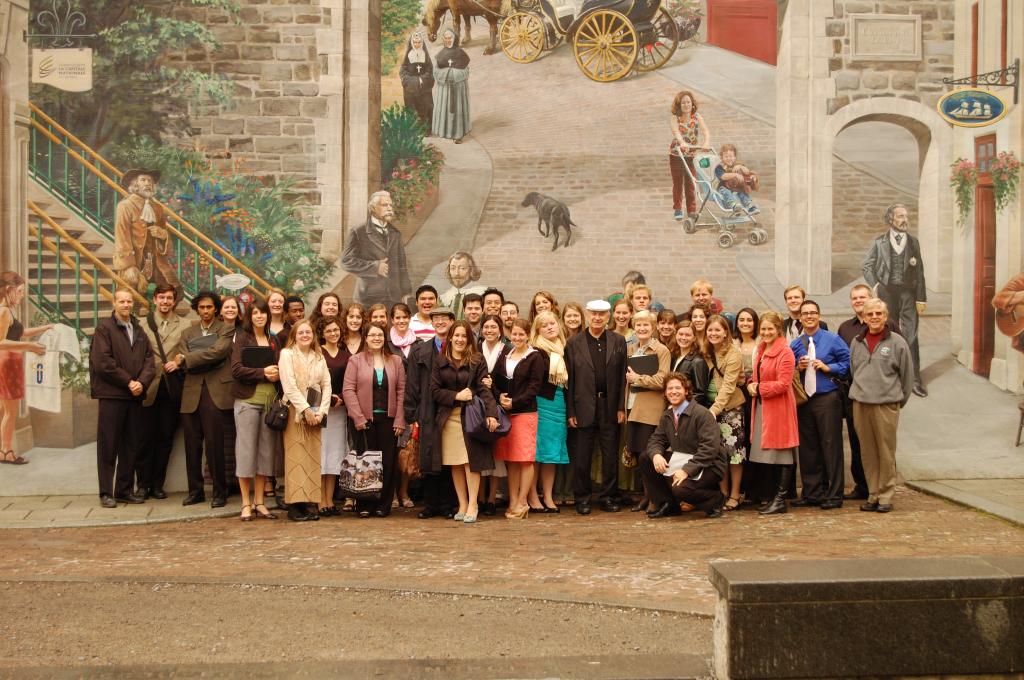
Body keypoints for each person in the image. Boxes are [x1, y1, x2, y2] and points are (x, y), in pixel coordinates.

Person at [89, 289, 155, 507]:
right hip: (112, 396)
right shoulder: (104, 329)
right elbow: (103, 363)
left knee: (131, 446)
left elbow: (149, 360)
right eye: (122, 301)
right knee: (108, 446)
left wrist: (141, 382)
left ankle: (124, 490)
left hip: (134, 397)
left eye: (129, 301)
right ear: (114, 303)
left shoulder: (138, 329)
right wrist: (129, 382)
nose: (126, 305)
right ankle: (106, 493)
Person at [849, 299, 914, 513]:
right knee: (868, 452)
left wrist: (896, 401)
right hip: (861, 404)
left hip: (885, 405)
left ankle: (885, 496)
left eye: (879, 313)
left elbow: (907, 377)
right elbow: (854, 370)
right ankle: (873, 494)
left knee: (886, 452)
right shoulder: (857, 342)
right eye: (870, 314)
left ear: (885, 317)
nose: (875, 317)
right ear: (864, 317)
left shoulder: (897, 342)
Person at [431, 321, 498, 523]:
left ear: (469, 339)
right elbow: (434, 391)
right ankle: (462, 503)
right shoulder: (440, 360)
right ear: (450, 337)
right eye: (457, 335)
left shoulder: (477, 360)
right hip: (448, 418)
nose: (460, 339)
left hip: (470, 417)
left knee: (471, 462)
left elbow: (484, 389)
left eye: (464, 336)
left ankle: (473, 504)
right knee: (455, 463)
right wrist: (455, 396)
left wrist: (492, 413)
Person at [837, 284, 899, 501]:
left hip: (884, 399)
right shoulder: (846, 330)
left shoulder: (890, 327)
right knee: (860, 445)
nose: (859, 301)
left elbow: (903, 366)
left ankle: (885, 491)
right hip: (857, 397)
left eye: (862, 297)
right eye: (855, 298)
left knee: (884, 447)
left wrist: (897, 399)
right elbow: (850, 365)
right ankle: (865, 488)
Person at [565, 299, 627, 514]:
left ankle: (608, 497)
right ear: (588, 315)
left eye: (602, 314)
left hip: (609, 406)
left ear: (608, 316)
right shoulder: (574, 343)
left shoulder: (618, 341)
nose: (598, 318)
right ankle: (582, 498)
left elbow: (622, 377)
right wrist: (571, 411)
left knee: (610, 455)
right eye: (594, 313)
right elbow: (570, 380)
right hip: (583, 406)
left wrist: (621, 407)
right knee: (582, 456)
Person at [638, 373, 728, 518]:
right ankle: (669, 505)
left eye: (678, 388)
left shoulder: (702, 414)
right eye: (670, 388)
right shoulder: (667, 415)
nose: (673, 391)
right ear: (665, 393)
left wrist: (686, 470)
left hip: (710, 465)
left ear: (686, 391)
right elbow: (656, 440)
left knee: (680, 489)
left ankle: (715, 500)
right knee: (646, 458)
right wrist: (656, 455)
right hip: (684, 459)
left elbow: (709, 449)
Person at [175, 291, 235, 508]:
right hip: (191, 392)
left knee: (214, 444)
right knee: (192, 445)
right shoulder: (187, 332)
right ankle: (195, 491)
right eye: (201, 307)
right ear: (196, 309)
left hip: (215, 392)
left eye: (209, 307)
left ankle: (220, 492)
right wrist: (197, 358)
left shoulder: (225, 329)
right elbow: (185, 358)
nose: (206, 311)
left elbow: (218, 353)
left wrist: (188, 358)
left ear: (216, 308)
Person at [862, 203, 928, 397]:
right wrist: (876, 286)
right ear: (890, 219)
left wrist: (921, 298)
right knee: (888, 334)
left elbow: (920, 271)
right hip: (887, 294)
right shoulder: (879, 242)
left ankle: (914, 380)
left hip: (908, 294)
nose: (905, 220)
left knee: (911, 336)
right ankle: (888, 378)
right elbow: (867, 266)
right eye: (900, 216)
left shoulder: (913, 242)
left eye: (906, 216)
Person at [790, 299, 851, 509]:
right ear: (800, 318)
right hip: (805, 400)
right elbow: (788, 370)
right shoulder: (796, 344)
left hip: (827, 398)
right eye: (805, 313)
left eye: (813, 313)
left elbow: (848, 364)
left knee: (831, 446)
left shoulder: (833, 339)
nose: (809, 316)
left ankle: (834, 494)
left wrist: (828, 367)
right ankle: (812, 493)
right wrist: (797, 367)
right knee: (808, 448)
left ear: (819, 315)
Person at [343, 324, 406, 518]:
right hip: (364, 420)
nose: (376, 338)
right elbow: (348, 390)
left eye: (380, 335)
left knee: (387, 462)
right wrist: (358, 417)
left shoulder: (396, 361)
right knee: (365, 462)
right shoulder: (355, 360)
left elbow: (401, 391)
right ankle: (364, 504)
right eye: (372, 335)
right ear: (366, 338)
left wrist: (400, 419)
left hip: (389, 420)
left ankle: (383, 504)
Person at [230, 299, 282, 521]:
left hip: (270, 403)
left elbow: (281, 366)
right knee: (246, 452)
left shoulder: (273, 339)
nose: (259, 316)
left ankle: (259, 502)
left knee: (265, 454)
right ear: (249, 316)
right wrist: (263, 373)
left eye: (263, 313)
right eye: (255, 313)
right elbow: (236, 369)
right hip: (247, 401)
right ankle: (245, 503)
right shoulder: (242, 337)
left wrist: (278, 374)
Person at [406, 306, 458, 519]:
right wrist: (412, 415)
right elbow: (412, 384)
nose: (440, 322)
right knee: (428, 456)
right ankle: (430, 504)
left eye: (444, 318)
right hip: (426, 409)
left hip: (451, 409)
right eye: (436, 318)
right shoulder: (420, 351)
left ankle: (449, 504)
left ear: (452, 321)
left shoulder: (458, 348)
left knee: (449, 456)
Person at [746, 311, 799, 515]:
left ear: (778, 330)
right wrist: (751, 384)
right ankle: (773, 497)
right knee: (769, 455)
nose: (766, 332)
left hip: (779, 408)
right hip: (763, 407)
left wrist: (759, 388)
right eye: (763, 329)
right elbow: (757, 376)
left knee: (782, 453)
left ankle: (780, 500)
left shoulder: (785, 352)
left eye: (770, 329)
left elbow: (784, 384)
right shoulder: (761, 349)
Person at [493, 318, 547, 519]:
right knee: (512, 460)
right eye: (514, 334)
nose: (517, 337)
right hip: (506, 413)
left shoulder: (535, 357)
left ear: (528, 335)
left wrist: (514, 402)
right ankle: (513, 500)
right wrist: (499, 396)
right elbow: (495, 379)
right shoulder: (505, 354)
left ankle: (523, 502)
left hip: (525, 413)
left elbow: (535, 387)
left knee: (524, 459)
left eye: (521, 334)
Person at [279, 319, 332, 521]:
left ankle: (308, 504)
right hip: (295, 412)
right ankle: (295, 507)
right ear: (294, 335)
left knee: (312, 459)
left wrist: (322, 412)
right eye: (300, 332)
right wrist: (305, 409)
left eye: (308, 332)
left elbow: (326, 384)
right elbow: (289, 385)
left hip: (316, 412)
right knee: (296, 459)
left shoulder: (319, 356)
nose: (305, 335)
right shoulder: (287, 354)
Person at [138, 284, 187, 498]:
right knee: (144, 439)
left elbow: (189, 351)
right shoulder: (141, 324)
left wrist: (180, 360)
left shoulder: (185, 325)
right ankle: (142, 485)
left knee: (165, 439)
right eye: (161, 297)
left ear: (174, 301)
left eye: (169, 298)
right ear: (155, 299)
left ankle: (158, 485)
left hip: (171, 388)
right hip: (148, 387)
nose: (165, 301)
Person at [623, 310, 671, 513]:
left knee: (648, 454)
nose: (642, 328)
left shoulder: (661, 350)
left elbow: (663, 380)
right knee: (637, 453)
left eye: (646, 325)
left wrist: (639, 379)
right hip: (632, 406)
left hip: (650, 408)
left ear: (653, 328)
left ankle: (655, 498)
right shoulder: (631, 348)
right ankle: (645, 495)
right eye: (638, 325)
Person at [0, 272, 50, 465]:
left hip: (11, 362)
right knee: (10, 411)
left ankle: (5, 450)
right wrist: (30, 346)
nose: (22, 295)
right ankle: (6, 451)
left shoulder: (10, 311)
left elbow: (19, 333)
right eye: (20, 291)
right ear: (9, 290)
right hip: (6, 363)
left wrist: (45, 328)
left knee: (9, 411)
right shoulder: (4, 311)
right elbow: (1, 342)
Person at [112, 169, 183, 298]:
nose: (147, 183)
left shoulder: (157, 208)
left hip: (156, 263)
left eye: (150, 181)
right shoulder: (125, 206)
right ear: (135, 184)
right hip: (135, 262)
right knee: (134, 297)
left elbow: (164, 237)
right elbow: (121, 236)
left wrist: (163, 235)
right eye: (143, 180)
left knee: (176, 293)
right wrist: (128, 266)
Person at [341, 190, 412, 308]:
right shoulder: (358, 232)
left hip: (394, 298)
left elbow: (402, 265)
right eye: (385, 205)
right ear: (373, 208)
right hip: (368, 298)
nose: (389, 208)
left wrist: (406, 292)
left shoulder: (395, 233)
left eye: (390, 205)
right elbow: (346, 261)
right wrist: (375, 267)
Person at [529, 311, 570, 512]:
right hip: (541, 404)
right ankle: (532, 496)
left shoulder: (564, 348)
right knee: (537, 453)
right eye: (544, 325)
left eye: (552, 323)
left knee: (552, 454)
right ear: (538, 330)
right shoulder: (535, 351)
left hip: (559, 404)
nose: (549, 327)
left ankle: (548, 496)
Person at [704, 315, 745, 510]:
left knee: (734, 454)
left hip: (730, 410)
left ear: (726, 332)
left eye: (717, 330)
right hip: (712, 408)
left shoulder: (733, 353)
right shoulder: (707, 350)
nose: (713, 333)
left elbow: (729, 386)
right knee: (718, 454)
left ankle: (735, 494)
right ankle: (723, 493)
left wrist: (714, 410)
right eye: (710, 330)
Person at [478, 314, 510, 514]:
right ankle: (480, 496)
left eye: (493, 327)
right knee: (480, 449)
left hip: (498, 405)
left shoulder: (507, 351)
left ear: (500, 330)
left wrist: (494, 387)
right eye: (486, 327)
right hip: (478, 405)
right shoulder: (475, 349)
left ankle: (491, 498)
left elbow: (509, 381)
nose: (489, 330)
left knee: (496, 452)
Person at [319, 317, 350, 516]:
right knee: (321, 455)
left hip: (340, 411)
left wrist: (342, 399)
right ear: (322, 333)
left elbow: (352, 382)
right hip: (321, 411)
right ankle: (320, 501)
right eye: (329, 331)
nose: (333, 334)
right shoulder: (317, 353)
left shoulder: (346, 355)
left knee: (334, 455)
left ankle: (330, 500)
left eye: (336, 330)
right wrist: (327, 399)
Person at [669, 91, 711, 222]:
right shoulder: (675, 118)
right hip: (677, 154)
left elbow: (705, 131)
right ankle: (677, 208)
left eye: (688, 102)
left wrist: (706, 143)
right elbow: (676, 131)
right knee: (678, 182)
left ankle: (691, 210)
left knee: (691, 182)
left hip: (691, 154)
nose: (686, 105)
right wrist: (682, 142)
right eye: (683, 103)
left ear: (692, 103)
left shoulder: (697, 117)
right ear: (679, 105)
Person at [432, 27, 471, 144]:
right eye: (446, 38)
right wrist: (447, 73)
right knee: (446, 111)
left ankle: (458, 134)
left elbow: (466, 71)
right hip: (445, 89)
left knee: (457, 111)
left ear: (454, 39)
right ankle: (445, 132)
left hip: (458, 89)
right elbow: (435, 72)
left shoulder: (461, 54)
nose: (448, 40)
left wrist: (453, 74)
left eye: (450, 38)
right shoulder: (440, 55)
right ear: (443, 39)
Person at [671, 320, 710, 408]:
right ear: (676, 335)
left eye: (688, 335)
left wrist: (681, 407)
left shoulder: (697, 362)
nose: (683, 338)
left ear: (694, 338)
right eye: (681, 334)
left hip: (687, 411)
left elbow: (700, 394)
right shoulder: (674, 357)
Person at [400, 30, 434, 125]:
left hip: (424, 86)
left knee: (426, 107)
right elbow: (403, 70)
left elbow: (430, 70)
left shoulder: (425, 55)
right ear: (412, 43)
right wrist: (410, 80)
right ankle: (413, 129)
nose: (417, 44)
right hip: (411, 86)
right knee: (412, 109)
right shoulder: (408, 55)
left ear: (422, 43)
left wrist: (421, 79)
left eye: (419, 42)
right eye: (415, 42)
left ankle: (426, 129)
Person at [714, 144, 760, 215]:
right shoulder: (720, 167)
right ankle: (733, 205)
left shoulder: (738, 165)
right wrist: (735, 175)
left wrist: (741, 167)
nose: (729, 158)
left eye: (731, 156)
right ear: (722, 158)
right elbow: (723, 176)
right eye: (726, 156)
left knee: (742, 192)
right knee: (724, 190)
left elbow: (747, 172)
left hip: (736, 188)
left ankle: (750, 206)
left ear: (735, 157)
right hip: (724, 188)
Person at [440, 251, 485, 318]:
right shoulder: (444, 298)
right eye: (453, 268)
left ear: (471, 270)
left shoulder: (483, 293)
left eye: (462, 268)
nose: (457, 273)